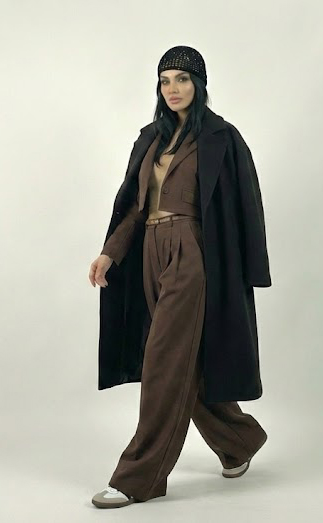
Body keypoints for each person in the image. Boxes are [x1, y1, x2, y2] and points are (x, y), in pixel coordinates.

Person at [89, 45, 272, 509]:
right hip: (150, 251)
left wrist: (250, 270)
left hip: (193, 252)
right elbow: (135, 207)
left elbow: (247, 204)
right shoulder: (151, 138)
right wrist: (110, 253)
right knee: (185, 359)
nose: (173, 88)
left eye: (183, 79)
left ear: (199, 84)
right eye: (165, 80)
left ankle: (138, 477)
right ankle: (239, 441)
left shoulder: (222, 138)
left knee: (163, 362)